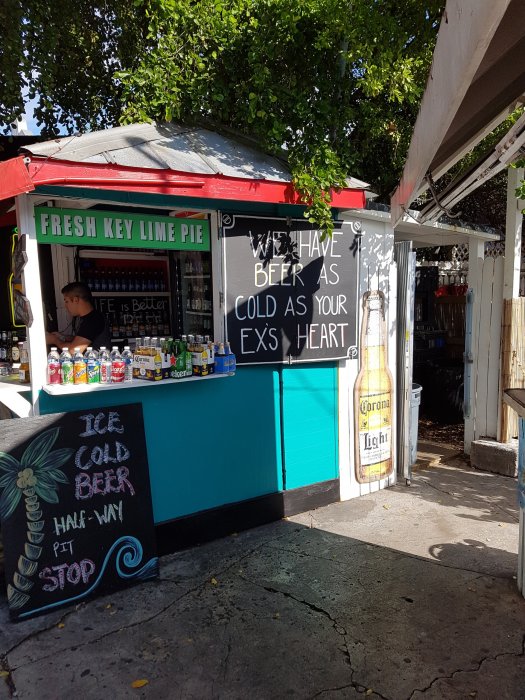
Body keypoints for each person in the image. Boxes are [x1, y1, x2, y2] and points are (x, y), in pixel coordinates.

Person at [46, 282, 111, 352]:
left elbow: (73, 351)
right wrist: (63, 337)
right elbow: (84, 338)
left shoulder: (93, 320)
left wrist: (55, 340)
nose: (65, 306)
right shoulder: (87, 318)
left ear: (76, 300)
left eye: (67, 301)